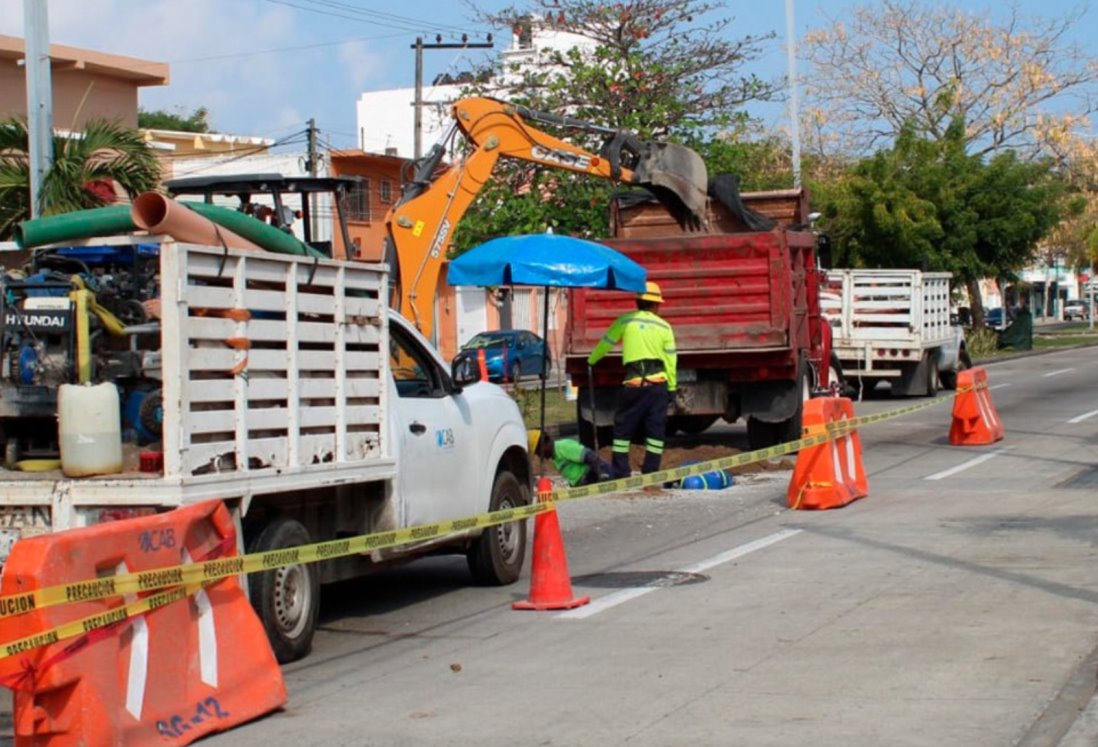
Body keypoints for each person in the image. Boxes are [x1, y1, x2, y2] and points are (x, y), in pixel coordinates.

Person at [587, 281, 678, 478]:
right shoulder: (664, 327)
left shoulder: (625, 321)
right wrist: (672, 386)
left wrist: (591, 360)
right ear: (655, 305)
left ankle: (620, 471)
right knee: (655, 431)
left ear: (637, 302)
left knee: (622, 430)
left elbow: (606, 343)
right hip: (657, 385)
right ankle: (651, 472)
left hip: (634, 384)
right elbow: (671, 360)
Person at [528, 430, 611, 487]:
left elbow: (590, 456)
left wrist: (601, 475)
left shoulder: (563, 447)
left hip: (596, 476)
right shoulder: (555, 458)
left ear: (544, 444)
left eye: (539, 452)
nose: (540, 457)